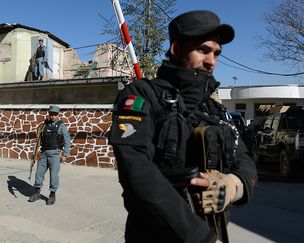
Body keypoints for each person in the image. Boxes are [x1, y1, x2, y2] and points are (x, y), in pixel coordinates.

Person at [109, 10, 257, 243]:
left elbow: (245, 160)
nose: (212, 61)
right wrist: (200, 238)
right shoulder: (143, 96)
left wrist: (233, 185)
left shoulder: (214, 109)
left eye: (216, 53)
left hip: (215, 232)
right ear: (176, 49)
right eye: (203, 50)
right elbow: (136, 170)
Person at [28, 105, 71, 205]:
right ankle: (37, 192)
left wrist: (65, 154)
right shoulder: (43, 126)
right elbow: (38, 140)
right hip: (43, 153)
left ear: (58, 115)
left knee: (54, 175)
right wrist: (35, 154)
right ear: (49, 114)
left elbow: (67, 141)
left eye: (54, 115)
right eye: (51, 114)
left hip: (55, 154)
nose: (52, 117)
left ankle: (52, 194)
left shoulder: (61, 126)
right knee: (39, 173)